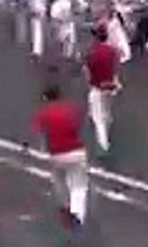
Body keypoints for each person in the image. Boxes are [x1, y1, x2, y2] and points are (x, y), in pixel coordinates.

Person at [32, 84, 88, 227]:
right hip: (76, 151)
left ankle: (65, 206)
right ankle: (77, 214)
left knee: (59, 181)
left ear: (46, 98)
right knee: (78, 185)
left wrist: (44, 150)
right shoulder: (71, 110)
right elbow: (78, 126)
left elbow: (41, 135)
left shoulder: (42, 114)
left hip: (56, 154)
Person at [84, 24, 120, 153]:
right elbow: (115, 69)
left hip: (98, 87)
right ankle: (108, 129)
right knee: (107, 112)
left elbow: (87, 73)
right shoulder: (112, 51)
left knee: (98, 118)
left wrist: (90, 83)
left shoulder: (91, 52)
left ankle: (103, 145)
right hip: (111, 86)